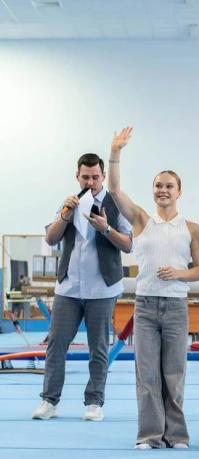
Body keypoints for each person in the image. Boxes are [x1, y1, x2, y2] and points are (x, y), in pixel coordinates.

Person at [106, 126, 199, 449]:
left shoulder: (191, 229)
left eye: (169, 186)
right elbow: (115, 190)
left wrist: (179, 273)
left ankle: (176, 434)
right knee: (147, 375)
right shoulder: (141, 220)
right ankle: (150, 434)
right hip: (146, 306)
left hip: (176, 306)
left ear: (179, 192)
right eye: (158, 186)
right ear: (153, 191)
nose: (163, 190)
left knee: (174, 375)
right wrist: (115, 152)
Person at [31, 152, 133, 422]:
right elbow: (51, 238)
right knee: (56, 344)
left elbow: (128, 244)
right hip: (68, 288)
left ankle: (94, 402)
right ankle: (49, 400)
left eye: (95, 177)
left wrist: (106, 228)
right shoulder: (69, 204)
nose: (90, 183)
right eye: (85, 177)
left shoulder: (115, 204)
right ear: (77, 176)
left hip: (102, 288)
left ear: (103, 176)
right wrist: (65, 216)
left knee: (98, 347)